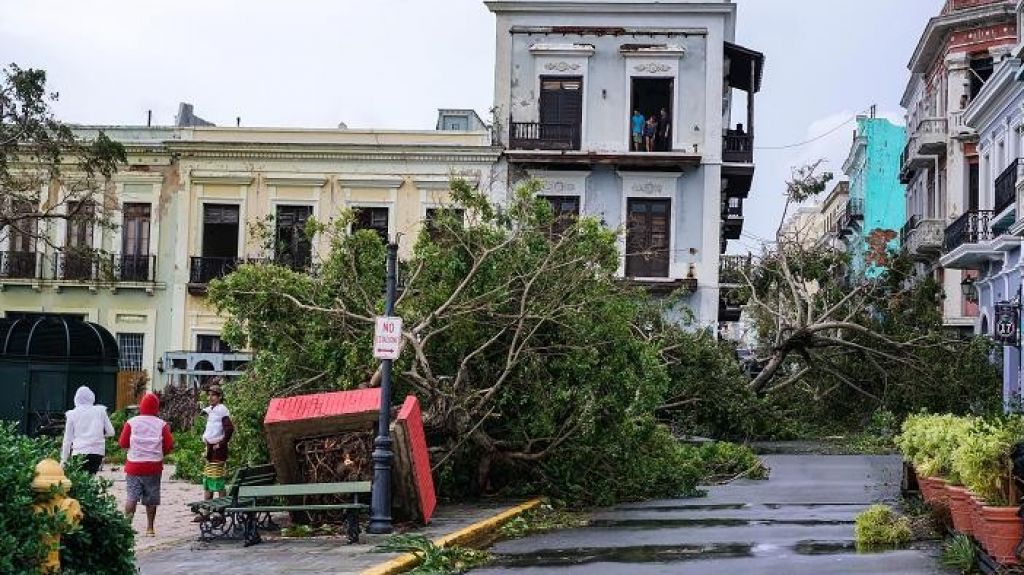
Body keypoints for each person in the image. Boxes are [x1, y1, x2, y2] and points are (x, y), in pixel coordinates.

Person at [119, 392, 173, 537]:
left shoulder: (131, 422)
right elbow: (169, 445)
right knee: (151, 498)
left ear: (141, 406)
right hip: (153, 467)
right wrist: (158, 454)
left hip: (134, 466)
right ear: (156, 407)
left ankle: (126, 527)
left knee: (132, 496)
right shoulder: (161, 424)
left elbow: (123, 443)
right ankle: (150, 528)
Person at [60, 386, 114, 474]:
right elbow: (111, 432)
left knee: (81, 483)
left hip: (79, 452)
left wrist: (64, 460)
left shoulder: (72, 414)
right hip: (97, 452)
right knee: (90, 479)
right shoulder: (100, 411)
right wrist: (101, 435)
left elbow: (67, 440)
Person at [200, 384, 234, 501]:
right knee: (208, 478)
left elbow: (229, 429)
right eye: (209, 395)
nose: (210, 398)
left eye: (213, 395)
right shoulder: (212, 410)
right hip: (210, 449)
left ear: (219, 397)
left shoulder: (222, 410)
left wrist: (221, 443)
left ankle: (220, 511)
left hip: (218, 451)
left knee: (217, 479)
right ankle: (207, 508)